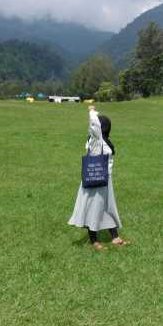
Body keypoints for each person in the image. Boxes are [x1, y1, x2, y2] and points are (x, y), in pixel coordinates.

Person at [68, 105, 129, 250]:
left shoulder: (104, 141)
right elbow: (94, 127)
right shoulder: (96, 141)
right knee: (93, 209)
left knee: (109, 208)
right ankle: (94, 240)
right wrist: (92, 112)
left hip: (105, 181)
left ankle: (115, 237)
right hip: (95, 180)